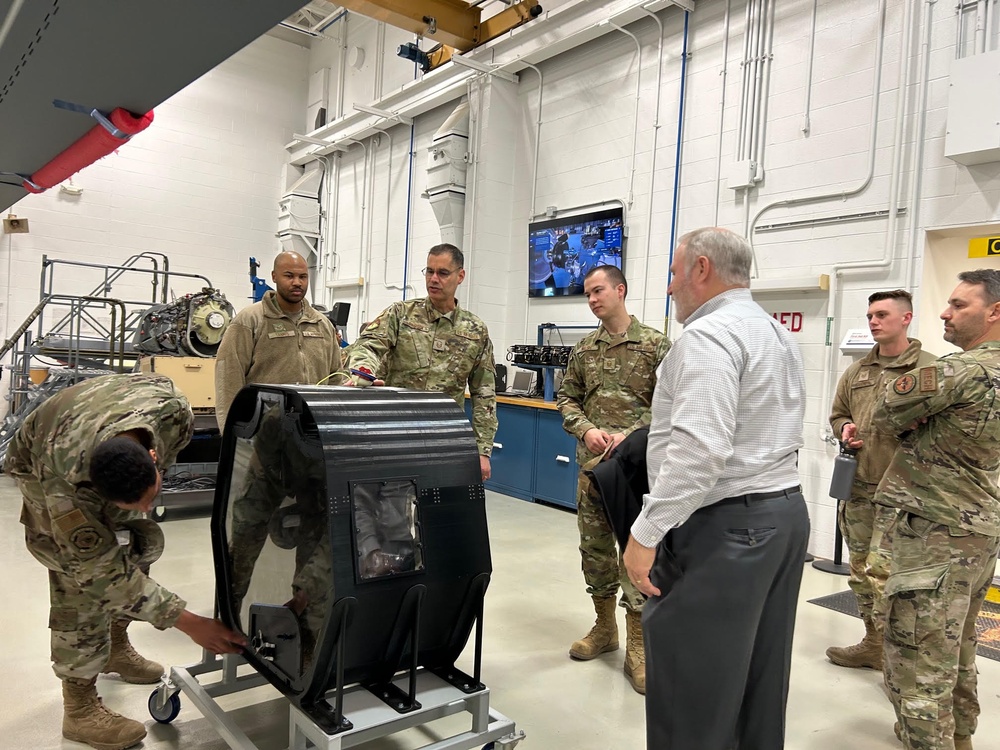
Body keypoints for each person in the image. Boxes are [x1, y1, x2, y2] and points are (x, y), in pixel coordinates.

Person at [623, 227, 809, 750]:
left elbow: (701, 452)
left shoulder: (709, 337)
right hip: (783, 516)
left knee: (692, 685)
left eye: (674, 273)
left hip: (724, 527)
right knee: (757, 678)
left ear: (701, 269)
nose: (670, 287)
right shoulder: (775, 333)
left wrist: (646, 533)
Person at [3, 373, 246, 750]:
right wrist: (189, 622)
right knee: (78, 579)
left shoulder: (173, 415)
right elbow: (100, 574)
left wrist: (135, 511)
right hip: (39, 456)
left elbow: (140, 502)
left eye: (150, 495)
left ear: (152, 457)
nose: (148, 508)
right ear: (94, 492)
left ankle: (115, 644)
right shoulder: (65, 484)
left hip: (109, 419)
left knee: (138, 540)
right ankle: (79, 708)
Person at [874, 269, 1000, 750]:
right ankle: (960, 739)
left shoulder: (958, 371)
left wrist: (920, 416)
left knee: (918, 661)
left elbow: (887, 409)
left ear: (994, 312)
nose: (945, 313)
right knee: (960, 651)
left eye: (959, 305)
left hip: (936, 533)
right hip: (979, 529)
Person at [556, 264, 670, 695]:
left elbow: (672, 403)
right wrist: (585, 428)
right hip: (593, 471)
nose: (592, 299)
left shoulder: (657, 345)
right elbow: (566, 397)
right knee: (595, 551)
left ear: (621, 290)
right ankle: (605, 629)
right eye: (587, 293)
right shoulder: (584, 349)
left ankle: (638, 644)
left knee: (635, 553)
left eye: (598, 290)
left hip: (638, 471)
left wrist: (631, 432)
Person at [826, 289, 937, 670]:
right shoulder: (858, 371)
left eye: (882, 315)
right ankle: (873, 643)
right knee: (860, 572)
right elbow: (838, 412)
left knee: (892, 577)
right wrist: (845, 429)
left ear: (906, 318)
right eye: (870, 315)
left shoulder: (930, 369)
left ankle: (900, 659)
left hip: (904, 493)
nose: (873, 321)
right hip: (859, 489)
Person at [344, 243, 497, 482]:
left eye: (442, 273)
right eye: (429, 271)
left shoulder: (475, 330)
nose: (433, 279)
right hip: (396, 433)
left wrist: (482, 450)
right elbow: (368, 344)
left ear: (460, 276)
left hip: (445, 438)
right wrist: (363, 370)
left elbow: (484, 393)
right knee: (390, 507)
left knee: (438, 507)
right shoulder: (401, 314)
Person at [214, 250, 346, 431]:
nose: (297, 282)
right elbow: (229, 377)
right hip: (262, 431)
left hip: (312, 429)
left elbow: (336, 377)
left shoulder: (321, 324)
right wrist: (231, 433)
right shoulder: (250, 320)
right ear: (274, 277)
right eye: (289, 276)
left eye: (303, 277)